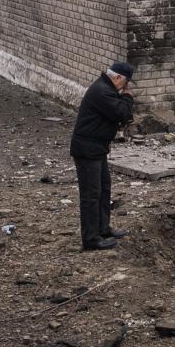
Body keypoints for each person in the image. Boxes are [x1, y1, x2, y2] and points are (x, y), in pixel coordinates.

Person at [71, 61, 134, 251]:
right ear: (117, 78)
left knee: (104, 189)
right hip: (87, 150)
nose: (125, 89)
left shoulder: (105, 88)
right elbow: (121, 113)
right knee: (90, 195)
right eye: (125, 84)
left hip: (97, 148)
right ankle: (90, 239)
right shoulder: (102, 91)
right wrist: (128, 98)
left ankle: (103, 228)